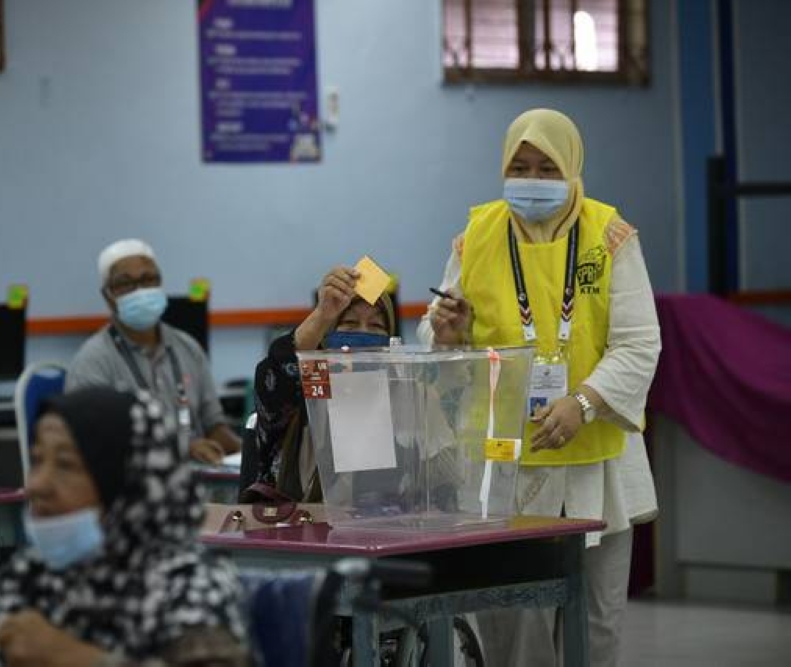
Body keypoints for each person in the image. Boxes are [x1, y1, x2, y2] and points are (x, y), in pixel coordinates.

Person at [417, 108, 660, 666]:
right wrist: (448, 335)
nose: (532, 180)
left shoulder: (610, 235)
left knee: (596, 625)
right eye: (520, 167)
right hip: (505, 465)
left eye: (547, 168)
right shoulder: (475, 238)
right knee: (510, 626)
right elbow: (437, 338)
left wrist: (584, 402)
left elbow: (639, 343)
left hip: (596, 462)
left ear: (572, 168)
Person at [0, 387, 248, 667]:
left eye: (66, 465)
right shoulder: (26, 578)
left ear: (129, 486)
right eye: (37, 460)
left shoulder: (190, 589)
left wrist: (76, 658)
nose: (37, 485)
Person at [67, 239, 240, 465]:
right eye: (125, 283)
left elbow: (214, 425)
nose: (140, 290)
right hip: (131, 481)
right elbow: (95, 444)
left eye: (149, 279)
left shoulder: (187, 347)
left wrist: (249, 453)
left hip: (198, 478)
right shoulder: (92, 362)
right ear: (107, 295)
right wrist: (183, 448)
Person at [247, 265, 396, 502]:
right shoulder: (308, 390)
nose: (363, 333)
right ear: (326, 337)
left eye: (376, 326)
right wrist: (323, 314)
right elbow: (275, 373)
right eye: (349, 323)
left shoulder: (401, 396)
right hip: (299, 520)